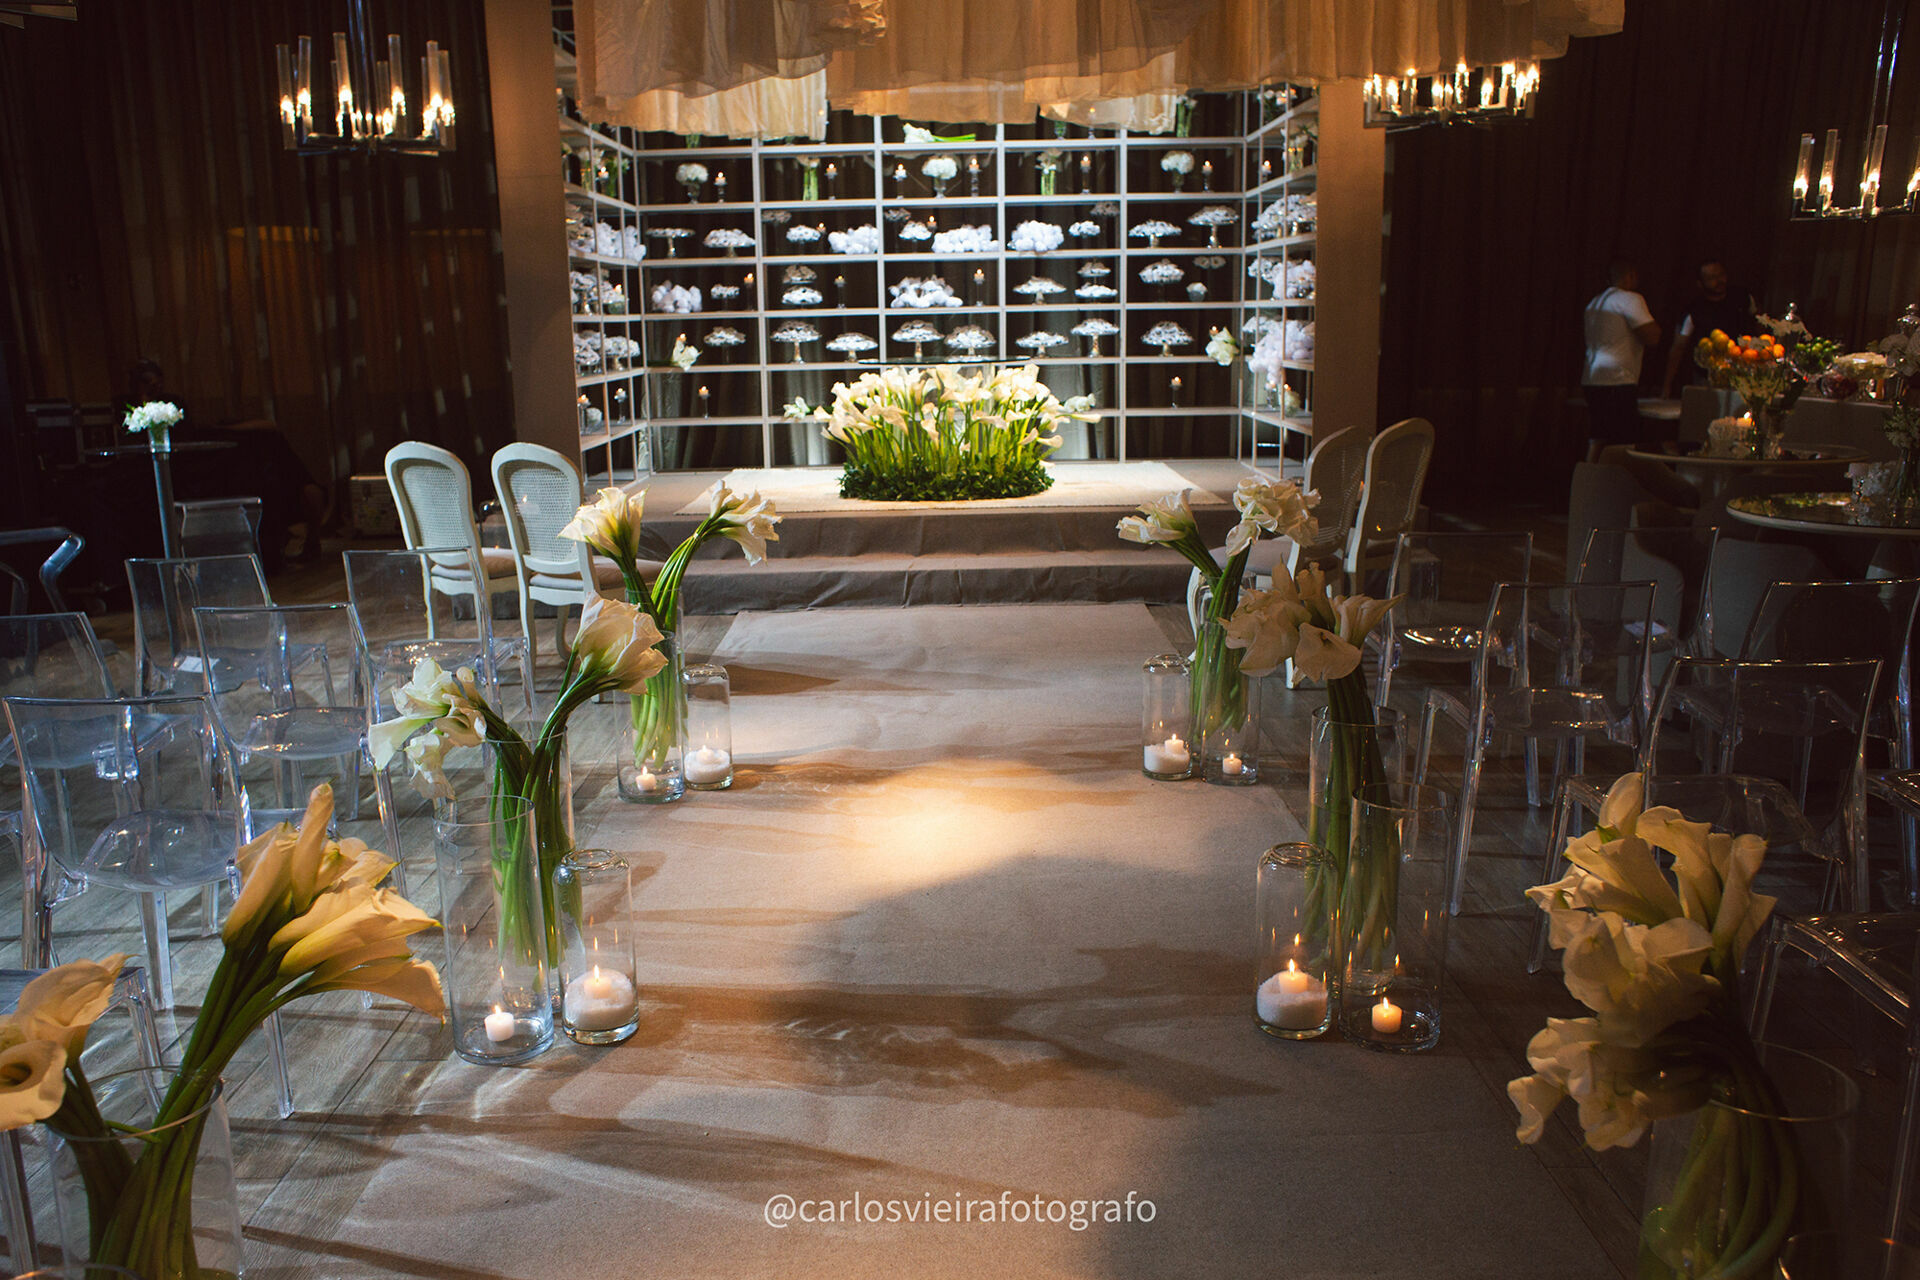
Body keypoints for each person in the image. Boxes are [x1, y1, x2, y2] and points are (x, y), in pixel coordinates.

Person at [1580, 262, 1660, 455]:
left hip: (1592, 378)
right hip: (1617, 378)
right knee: (1623, 441)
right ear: (1630, 275)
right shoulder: (1629, 299)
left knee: (1598, 436)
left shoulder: (1595, 302)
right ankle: (1617, 482)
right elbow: (1652, 337)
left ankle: (1588, 480)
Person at [1659, 260, 1757, 397]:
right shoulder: (1695, 310)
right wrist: (1666, 386)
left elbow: (1759, 325)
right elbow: (1679, 347)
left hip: (1743, 372)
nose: (1718, 281)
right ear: (1700, 283)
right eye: (1711, 278)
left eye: (1720, 275)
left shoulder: (1742, 298)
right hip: (1708, 376)